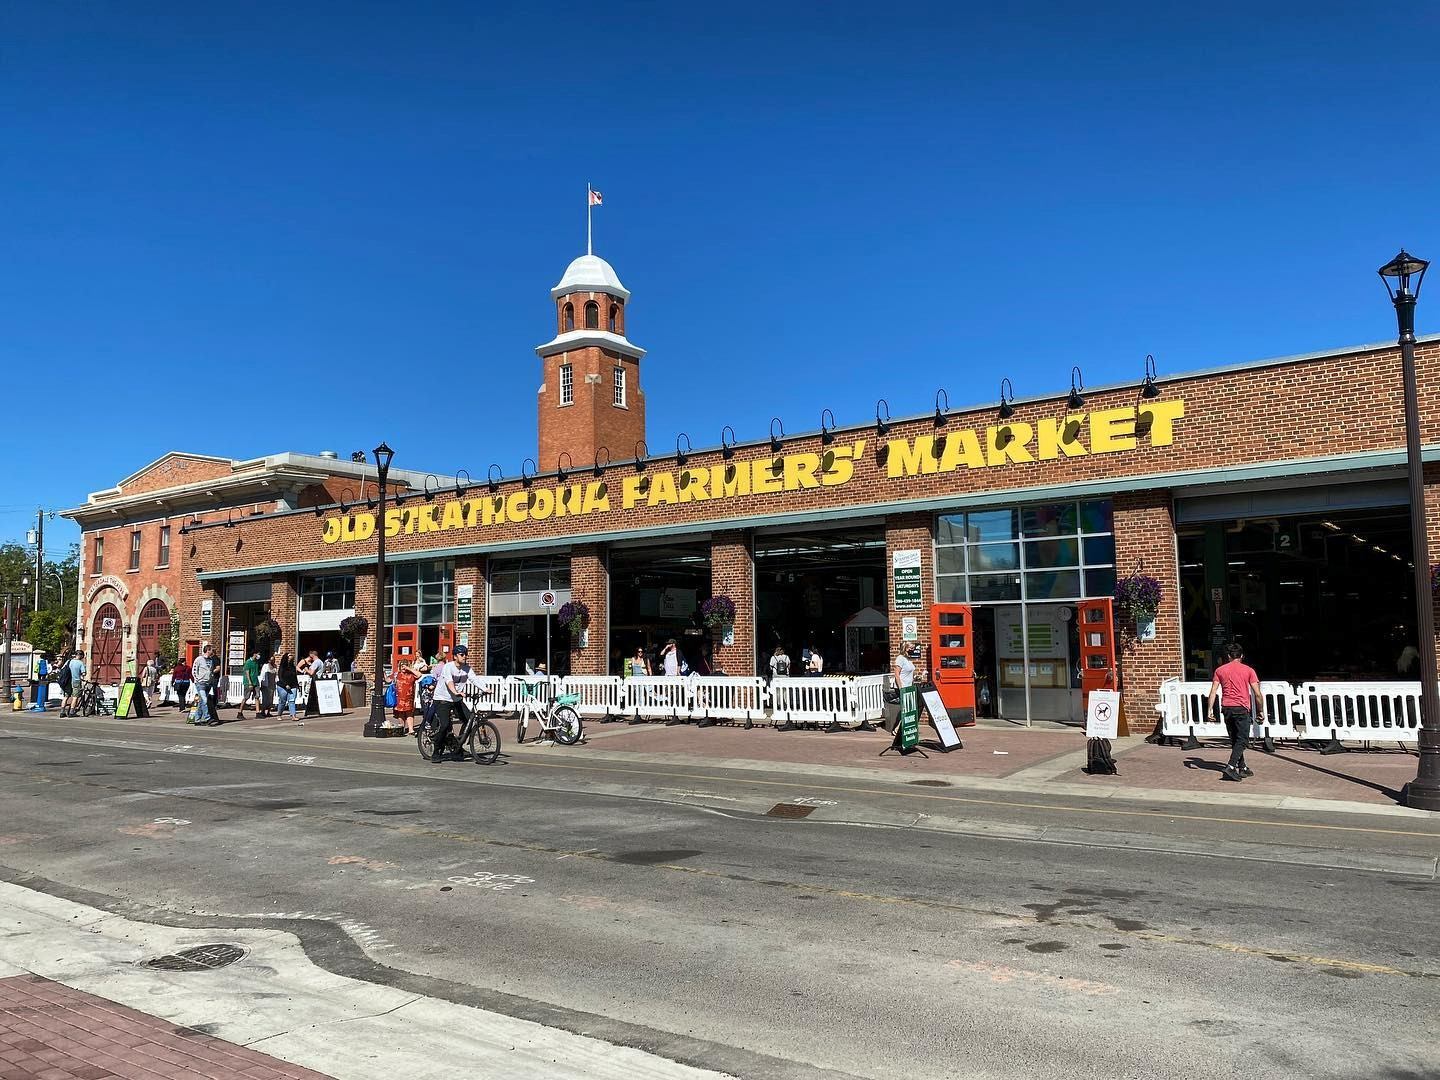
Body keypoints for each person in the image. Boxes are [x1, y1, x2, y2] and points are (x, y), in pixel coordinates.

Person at [1206, 642, 1265, 781]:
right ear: (1242, 656)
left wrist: (1209, 710)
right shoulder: (1249, 670)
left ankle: (1242, 767)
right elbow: (1257, 693)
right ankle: (1231, 766)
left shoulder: (1220, 670)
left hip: (1226, 707)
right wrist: (1261, 710)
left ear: (1228, 656)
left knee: (1235, 738)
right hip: (1241, 707)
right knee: (1243, 740)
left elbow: (1213, 691)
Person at [428, 644, 474, 763]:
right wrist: (455, 691)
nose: (465, 656)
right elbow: (449, 681)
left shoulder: (466, 669)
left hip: (456, 699)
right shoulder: (448, 667)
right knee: (444, 725)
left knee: (469, 720)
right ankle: (436, 751)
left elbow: (475, 679)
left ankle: (457, 746)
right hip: (442, 699)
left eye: (466, 654)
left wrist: (486, 689)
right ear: (455, 656)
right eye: (462, 654)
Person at [190, 643, 217, 726]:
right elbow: (194, 670)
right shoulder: (199, 659)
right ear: (207, 650)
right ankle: (207, 718)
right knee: (205, 700)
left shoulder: (211, 660)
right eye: (212, 650)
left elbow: (211, 671)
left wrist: (211, 680)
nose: (213, 651)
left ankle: (197, 719)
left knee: (202, 702)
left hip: (208, 683)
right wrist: (197, 679)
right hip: (200, 683)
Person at [394, 657, 421, 736]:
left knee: (409, 713)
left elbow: (419, 675)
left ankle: (411, 730)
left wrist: (409, 668)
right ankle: (401, 729)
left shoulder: (411, 675)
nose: (403, 667)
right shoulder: (397, 674)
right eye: (402, 665)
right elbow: (388, 680)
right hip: (399, 697)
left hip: (409, 697)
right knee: (400, 713)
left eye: (405, 665)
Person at [60, 650, 86, 717]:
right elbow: (84, 673)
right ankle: (72, 712)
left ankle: (62, 712)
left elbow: (62, 669)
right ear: (81, 656)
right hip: (76, 681)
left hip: (67, 681)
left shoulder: (68, 661)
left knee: (66, 697)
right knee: (75, 697)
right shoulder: (80, 663)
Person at [237, 650, 261, 720]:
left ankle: (258, 712)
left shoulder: (256, 662)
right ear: (254, 654)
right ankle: (240, 712)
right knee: (246, 697)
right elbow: (247, 673)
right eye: (257, 654)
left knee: (257, 696)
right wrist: (250, 682)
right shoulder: (248, 662)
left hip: (255, 681)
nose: (258, 656)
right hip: (249, 682)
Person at [275, 653, 300, 720]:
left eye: (292, 655)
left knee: (292, 701)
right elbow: (280, 677)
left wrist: (297, 685)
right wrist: (285, 685)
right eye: (289, 656)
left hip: (292, 686)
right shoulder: (282, 666)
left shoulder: (293, 667)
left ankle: (293, 716)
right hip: (282, 686)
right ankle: (279, 715)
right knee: (282, 701)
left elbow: (295, 677)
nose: (291, 657)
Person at [259, 654, 277, 718]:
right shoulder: (265, 666)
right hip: (266, 684)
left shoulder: (275, 666)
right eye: (271, 660)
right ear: (269, 660)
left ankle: (268, 712)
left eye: (274, 660)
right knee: (265, 699)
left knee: (271, 699)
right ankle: (263, 711)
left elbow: (276, 676)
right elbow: (262, 675)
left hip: (272, 684)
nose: (272, 661)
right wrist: (261, 683)